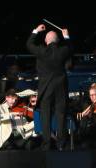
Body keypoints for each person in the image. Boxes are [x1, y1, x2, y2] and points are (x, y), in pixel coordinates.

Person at [26, 23, 73, 151]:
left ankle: (46, 144)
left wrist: (36, 30)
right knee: (61, 115)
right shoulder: (63, 50)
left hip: (46, 88)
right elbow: (70, 48)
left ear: (46, 41)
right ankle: (61, 144)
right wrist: (66, 36)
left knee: (45, 115)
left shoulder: (42, 50)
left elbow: (29, 45)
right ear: (57, 40)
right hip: (60, 87)